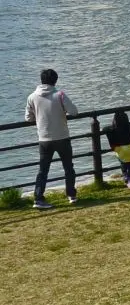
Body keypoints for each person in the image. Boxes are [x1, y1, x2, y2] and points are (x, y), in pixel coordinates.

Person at [25, 68, 79, 209]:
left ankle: (38, 198)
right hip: (62, 137)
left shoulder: (32, 97)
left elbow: (28, 118)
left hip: (44, 139)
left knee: (43, 170)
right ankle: (71, 195)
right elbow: (74, 112)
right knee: (68, 168)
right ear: (55, 81)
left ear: (41, 80)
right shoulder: (60, 95)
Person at [102, 110, 130, 189]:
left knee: (123, 164)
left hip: (120, 148)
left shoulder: (112, 129)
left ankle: (126, 179)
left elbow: (104, 129)